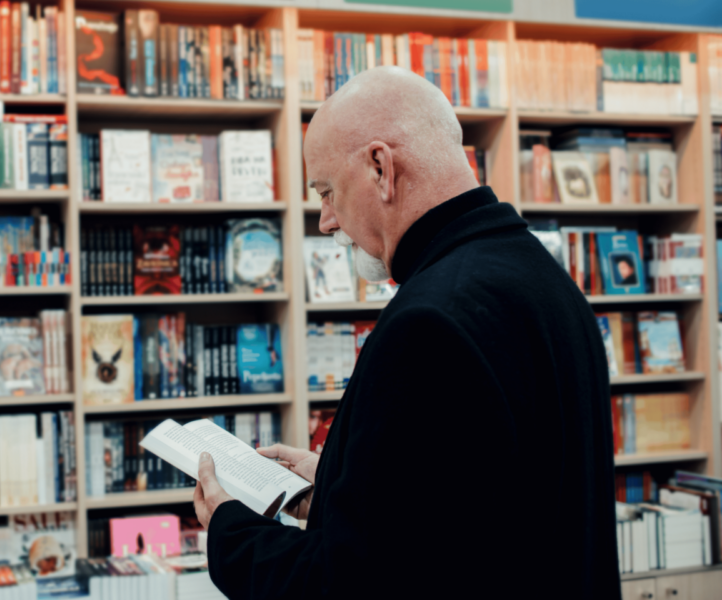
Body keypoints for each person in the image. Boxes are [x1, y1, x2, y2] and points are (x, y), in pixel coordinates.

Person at [193, 66, 619, 599]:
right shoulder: (545, 279)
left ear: (381, 167)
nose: (326, 221)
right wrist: (339, 486)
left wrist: (230, 531)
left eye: (327, 191)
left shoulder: (428, 326)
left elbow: (355, 587)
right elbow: (472, 513)